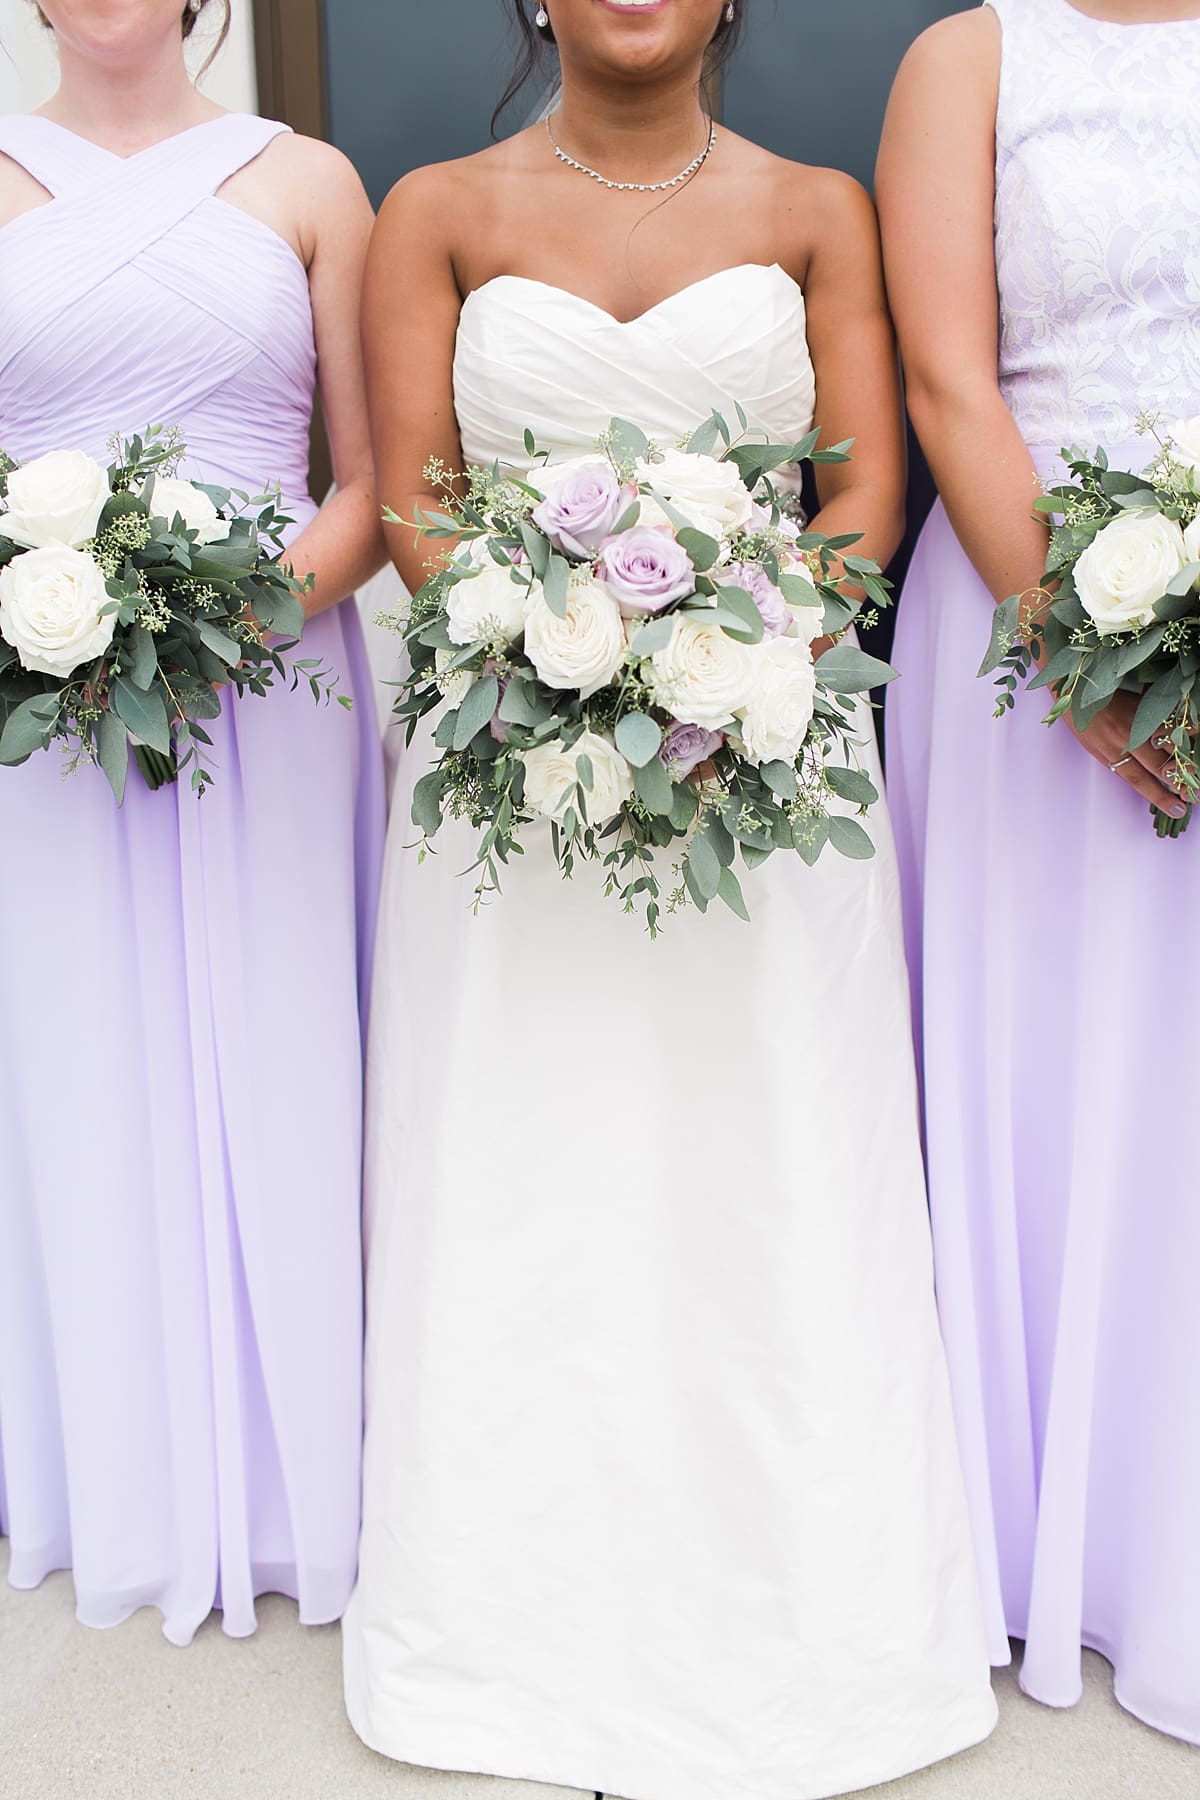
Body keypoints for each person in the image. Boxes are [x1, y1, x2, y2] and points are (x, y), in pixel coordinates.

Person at [342, 3, 996, 1795]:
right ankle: (511, 1611)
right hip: (511, 758)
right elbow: (416, 505)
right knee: (527, 1148)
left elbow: (861, 500)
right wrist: (554, 661)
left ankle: (809, 1598)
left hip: (769, 747)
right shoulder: (432, 210)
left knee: (768, 1137)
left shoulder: (817, 207)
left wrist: (725, 659)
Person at [0, 0, 386, 1646]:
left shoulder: (309, 181)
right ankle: (113, 1476)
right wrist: (61, 621)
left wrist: (231, 619)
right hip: (41, 693)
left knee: (284, 1039)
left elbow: (371, 482)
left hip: (274, 681)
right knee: (77, 1047)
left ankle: (308, 1480)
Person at [878, 0, 1200, 1744]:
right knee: (1048, 1067)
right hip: (1023, 616)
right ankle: (1022, 1537)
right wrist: (1082, 652)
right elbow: (948, 378)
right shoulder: (973, 55)